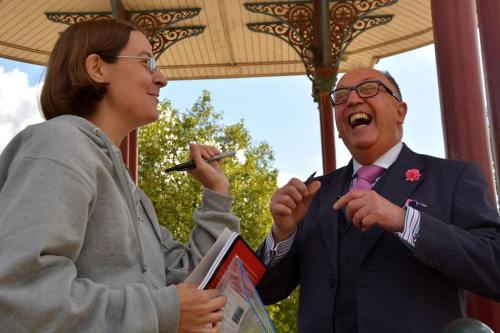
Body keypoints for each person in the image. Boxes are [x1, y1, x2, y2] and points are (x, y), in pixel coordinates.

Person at [0, 19, 239, 333]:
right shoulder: (60, 145)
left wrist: (216, 196)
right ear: (97, 68)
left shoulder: (129, 189)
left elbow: (183, 284)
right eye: (146, 61)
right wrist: (162, 312)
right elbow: (20, 297)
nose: (162, 78)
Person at [256, 67, 500, 332]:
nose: (352, 100)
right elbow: (264, 292)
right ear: (338, 127)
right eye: (341, 96)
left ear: (400, 112)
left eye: (368, 89)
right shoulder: (312, 193)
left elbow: (494, 268)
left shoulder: (452, 178)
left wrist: (405, 221)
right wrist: (282, 234)